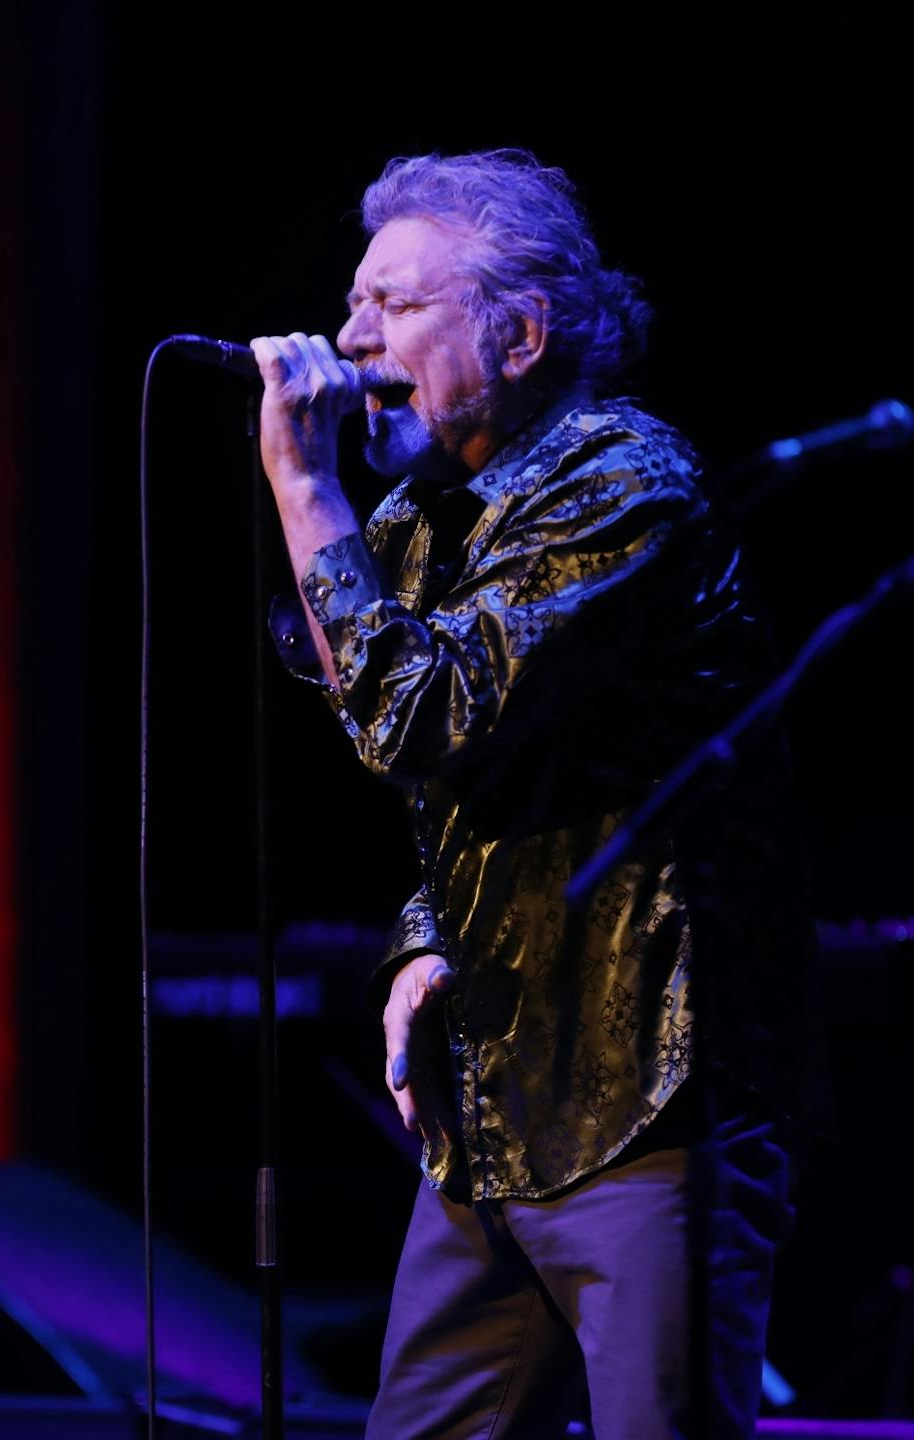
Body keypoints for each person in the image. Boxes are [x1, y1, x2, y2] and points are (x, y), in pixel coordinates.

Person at [249, 150, 816, 1437]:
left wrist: (306, 483)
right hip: (491, 1111)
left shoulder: (625, 481)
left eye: (390, 306)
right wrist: (421, 937)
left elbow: (417, 712)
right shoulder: (425, 518)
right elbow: (462, 774)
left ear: (519, 334)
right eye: (351, 305)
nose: (348, 339)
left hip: (650, 1095)